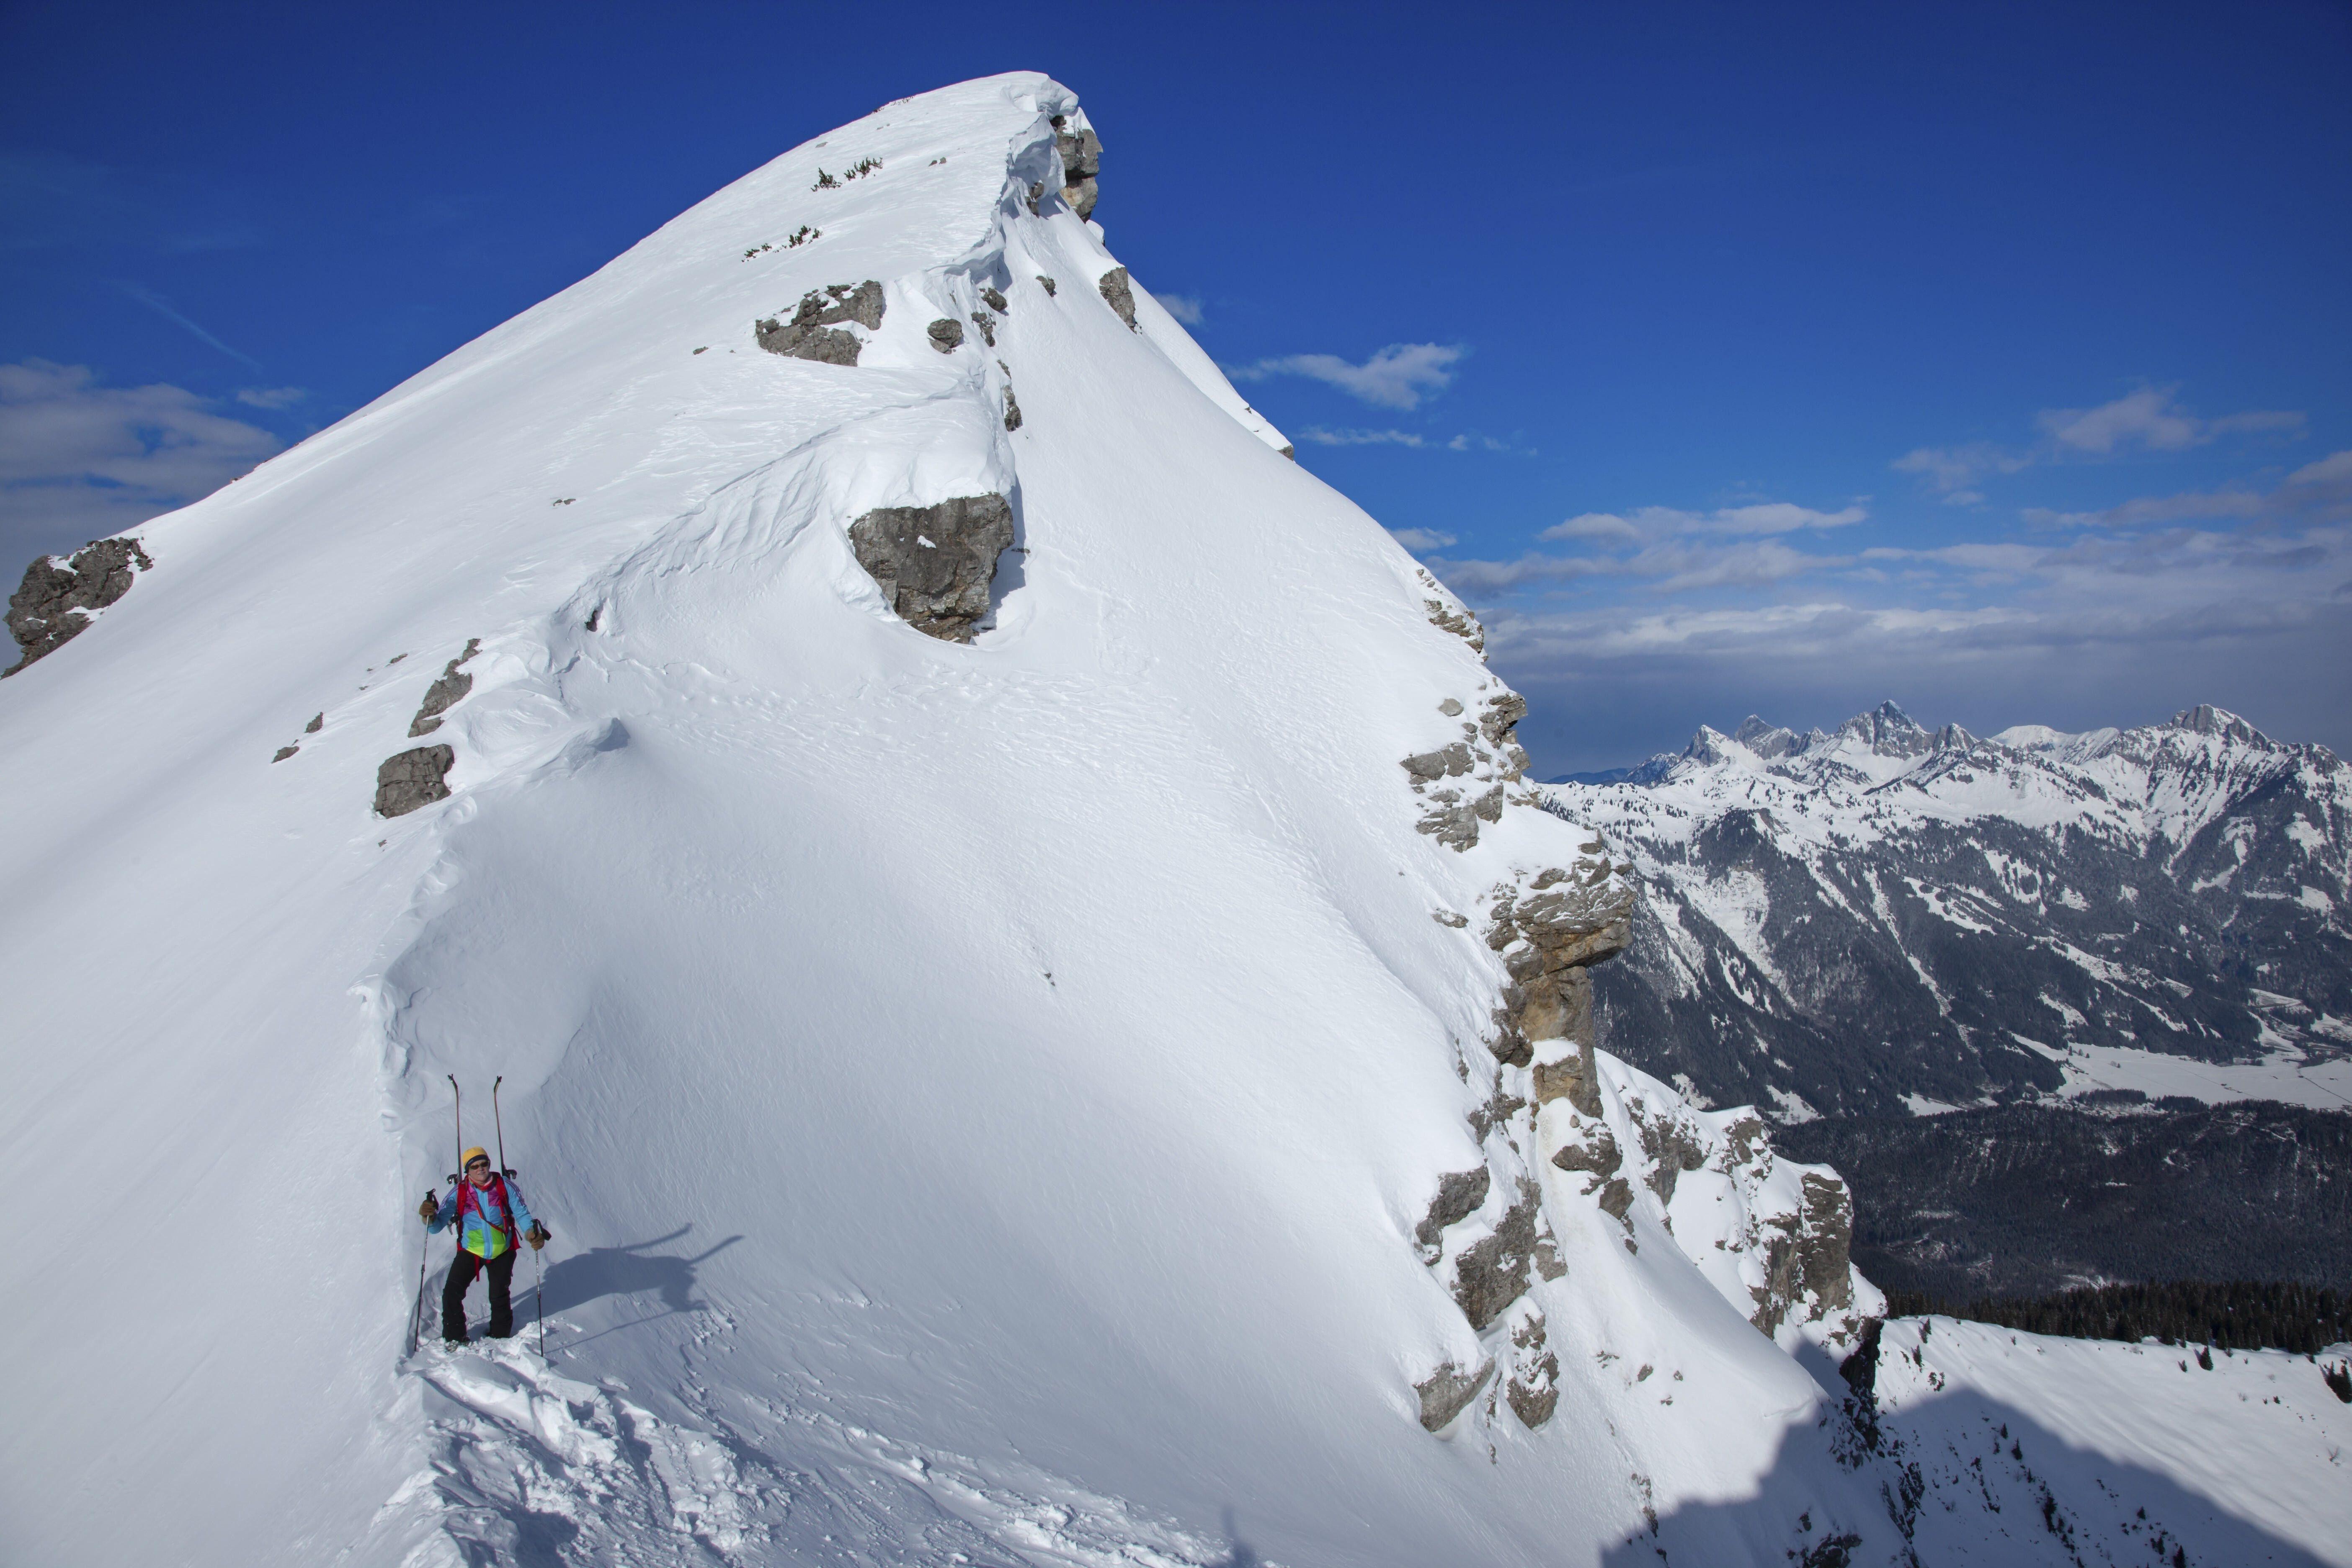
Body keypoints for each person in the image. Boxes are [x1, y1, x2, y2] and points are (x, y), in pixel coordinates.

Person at [420, 1146, 549, 1344]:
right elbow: (436, 1227)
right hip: (471, 1251)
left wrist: (532, 1234)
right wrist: (427, 1216)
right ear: (467, 1171)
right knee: (451, 1293)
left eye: (484, 1164)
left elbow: (522, 1214)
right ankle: (455, 1337)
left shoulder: (504, 1186)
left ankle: (500, 1335)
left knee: (499, 1295)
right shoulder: (459, 1192)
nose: (481, 1169)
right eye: (475, 1166)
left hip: (502, 1250)